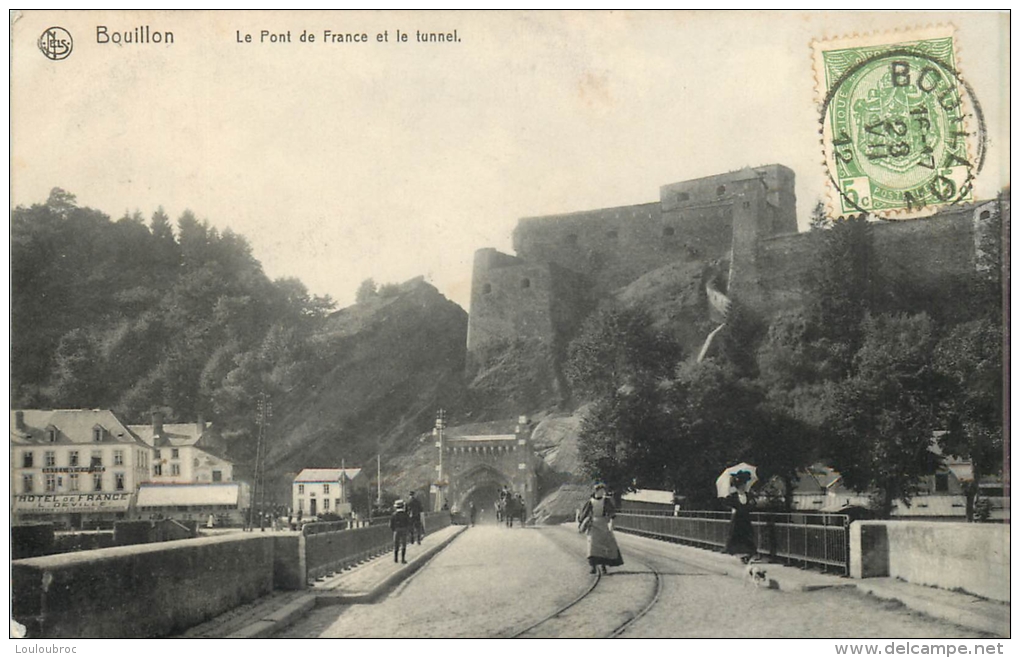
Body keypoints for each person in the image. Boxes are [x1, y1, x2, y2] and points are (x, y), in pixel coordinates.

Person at [578, 482, 624, 575]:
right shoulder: (590, 502)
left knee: (603, 546)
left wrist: (612, 522)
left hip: (603, 524)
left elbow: (611, 512)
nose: (602, 493)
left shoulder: (605, 501)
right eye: (601, 491)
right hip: (593, 525)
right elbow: (584, 513)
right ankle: (593, 567)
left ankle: (603, 567)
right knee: (592, 546)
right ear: (596, 491)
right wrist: (582, 522)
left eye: (603, 491)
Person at [723, 471, 757, 563]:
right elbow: (727, 504)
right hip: (737, 520)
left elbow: (753, 505)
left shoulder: (748, 495)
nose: (744, 486)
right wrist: (732, 509)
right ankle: (741, 554)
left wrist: (752, 504)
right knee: (737, 537)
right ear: (739, 486)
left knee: (748, 537)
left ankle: (748, 554)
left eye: (744, 484)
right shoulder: (733, 496)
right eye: (742, 484)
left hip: (746, 519)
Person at [390, 499, 412, 564]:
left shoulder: (394, 515)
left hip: (396, 530)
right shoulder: (405, 514)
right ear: (402, 506)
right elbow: (408, 523)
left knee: (396, 544)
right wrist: (408, 530)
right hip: (404, 530)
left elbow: (391, 524)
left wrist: (394, 529)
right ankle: (402, 559)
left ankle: (396, 558)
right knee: (403, 544)